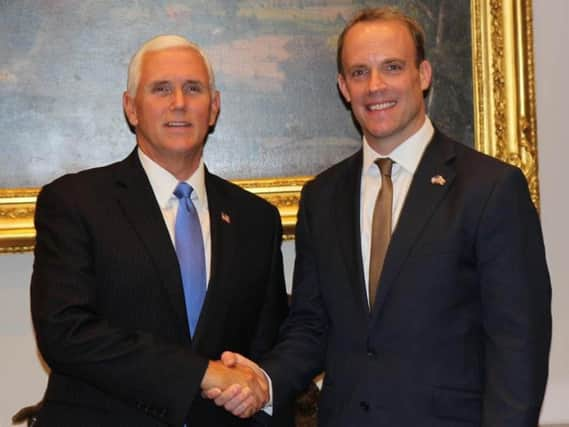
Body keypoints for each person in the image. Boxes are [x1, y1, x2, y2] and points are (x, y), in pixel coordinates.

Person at [207, 7, 552, 427]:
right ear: (342, 87)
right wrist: (262, 380)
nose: (375, 86)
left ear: (422, 74)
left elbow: (519, 343)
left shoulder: (490, 188)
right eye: (358, 72)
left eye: (392, 67)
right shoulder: (323, 196)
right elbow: (311, 326)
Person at [30, 34, 290, 426]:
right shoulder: (74, 201)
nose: (179, 103)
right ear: (131, 108)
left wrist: (259, 393)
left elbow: (265, 349)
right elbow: (65, 333)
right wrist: (201, 373)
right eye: (161, 89)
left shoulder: (257, 218)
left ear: (214, 107)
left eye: (193, 89)